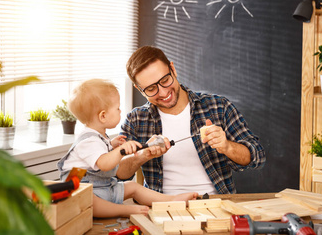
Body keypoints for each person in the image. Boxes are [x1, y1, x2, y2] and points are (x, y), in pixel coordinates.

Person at [117, 46, 266, 195]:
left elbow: (257, 157)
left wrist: (227, 146)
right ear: (139, 89)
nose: (163, 92)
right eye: (150, 89)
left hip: (217, 205)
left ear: (172, 69)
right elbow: (118, 173)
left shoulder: (218, 106)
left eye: (165, 80)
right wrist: (143, 155)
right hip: (161, 208)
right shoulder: (135, 119)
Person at [57, 79, 198, 218]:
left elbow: (99, 151)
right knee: (90, 202)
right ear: (103, 116)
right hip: (84, 191)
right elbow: (104, 164)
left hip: (104, 187)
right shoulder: (88, 141)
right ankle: (123, 210)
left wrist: (112, 144)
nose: (120, 111)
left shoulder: (98, 136)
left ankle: (171, 200)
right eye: (117, 108)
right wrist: (119, 151)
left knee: (132, 186)